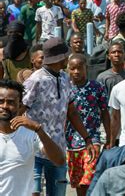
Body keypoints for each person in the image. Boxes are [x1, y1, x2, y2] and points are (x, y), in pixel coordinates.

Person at [22, 37, 96, 196]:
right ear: (60, 58)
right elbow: (20, 110)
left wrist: (87, 138)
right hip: (33, 150)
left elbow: (72, 112)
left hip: (58, 150)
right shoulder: (35, 80)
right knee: (32, 192)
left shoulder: (64, 79)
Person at [0, 79, 65, 196]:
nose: (5, 106)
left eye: (10, 102)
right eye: (1, 101)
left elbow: (59, 160)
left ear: (20, 105)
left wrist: (39, 130)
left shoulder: (31, 133)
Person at [66, 54, 111, 196]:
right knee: (79, 182)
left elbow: (105, 112)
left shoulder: (96, 87)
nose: (76, 72)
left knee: (90, 178)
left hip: (93, 139)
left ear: (86, 68)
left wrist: (109, 137)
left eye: (80, 68)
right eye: (72, 69)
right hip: (70, 142)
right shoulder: (65, 88)